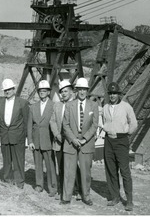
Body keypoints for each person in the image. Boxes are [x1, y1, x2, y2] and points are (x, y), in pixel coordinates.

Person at [61, 77, 99, 206]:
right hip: (71, 142)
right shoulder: (69, 105)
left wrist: (84, 139)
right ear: (76, 90)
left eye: (84, 89)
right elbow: (65, 125)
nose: (82, 92)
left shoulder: (93, 105)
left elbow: (94, 125)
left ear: (87, 91)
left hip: (86, 144)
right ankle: (66, 197)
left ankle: (86, 196)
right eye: (80, 89)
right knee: (69, 171)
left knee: (85, 172)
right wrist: (73, 139)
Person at [102, 82, 138, 211]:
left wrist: (126, 132)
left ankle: (129, 201)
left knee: (124, 171)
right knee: (111, 170)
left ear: (119, 94)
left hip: (121, 140)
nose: (112, 96)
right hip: (108, 140)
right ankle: (115, 197)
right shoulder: (105, 107)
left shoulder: (126, 107)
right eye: (110, 93)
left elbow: (134, 123)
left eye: (115, 93)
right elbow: (103, 121)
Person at [0, 78, 29, 189]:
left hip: (18, 137)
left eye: (9, 89)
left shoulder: (22, 103)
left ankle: (19, 182)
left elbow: (26, 121)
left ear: (13, 89)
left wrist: (28, 139)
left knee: (18, 160)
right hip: (4, 136)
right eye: (5, 90)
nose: (7, 92)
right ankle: (7, 180)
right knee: (6, 160)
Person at [49, 80, 81, 200]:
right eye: (62, 92)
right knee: (61, 167)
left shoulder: (76, 105)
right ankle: (63, 191)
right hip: (59, 141)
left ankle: (77, 189)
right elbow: (52, 121)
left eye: (66, 91)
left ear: (72, 91)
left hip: (71, 142)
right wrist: (57, 134)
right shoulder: (57, 105)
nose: (63, 94)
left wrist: (73, 138)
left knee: (74, 167)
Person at [28, 80, 57, 196]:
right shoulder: (33, 107)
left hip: (48, 140)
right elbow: (29, 125)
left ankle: (52, 187)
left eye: (44, 91)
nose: (42, 93)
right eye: (40, 91)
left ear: (49, 92)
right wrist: (30, 141)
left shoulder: (53, 106)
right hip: (36, 140)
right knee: (38, 165)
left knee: (50, 166)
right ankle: (39, 185)